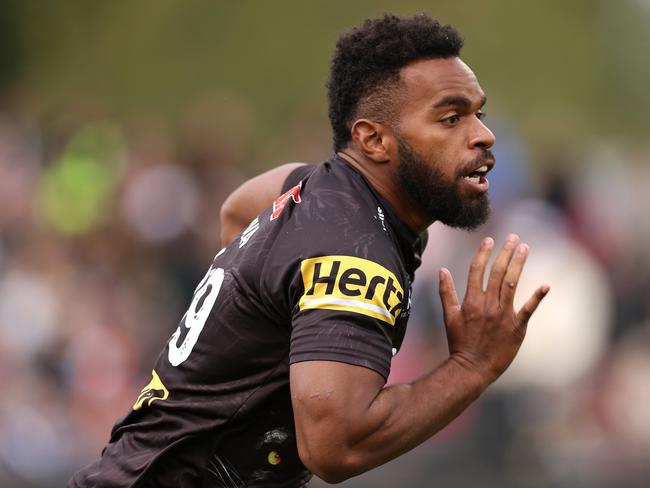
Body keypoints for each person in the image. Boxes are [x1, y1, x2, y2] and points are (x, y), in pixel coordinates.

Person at [69, 13, 549, 488]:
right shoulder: (351, 248)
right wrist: (472, 367)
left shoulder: (308, 187)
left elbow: (237, 212)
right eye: (451, 118)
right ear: (373, 139)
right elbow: (335, 447)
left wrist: (259, 319)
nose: (483, 135)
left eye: (477, 113)